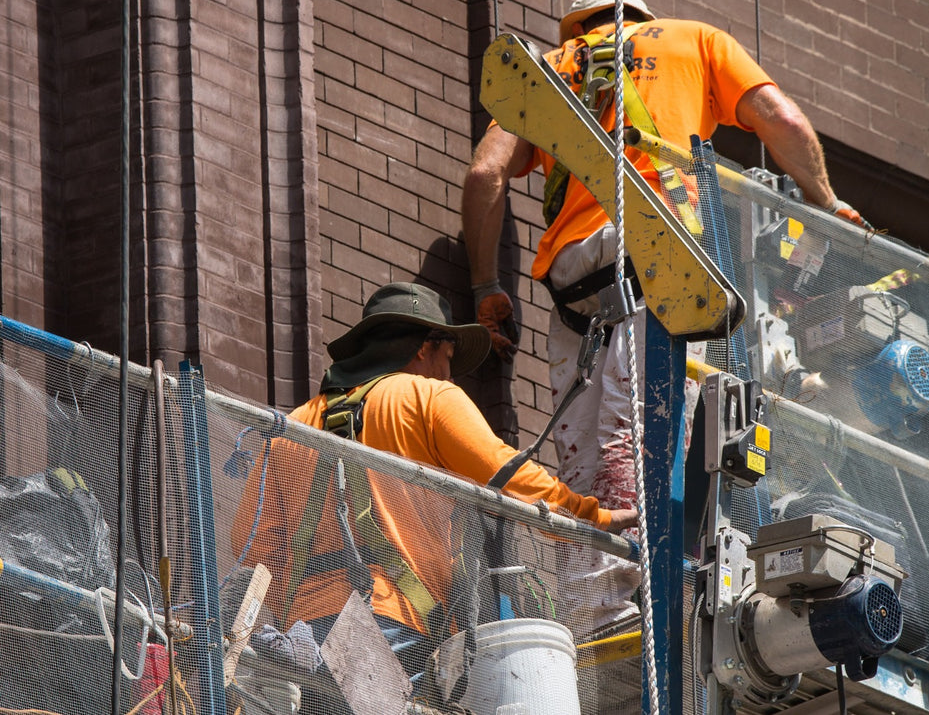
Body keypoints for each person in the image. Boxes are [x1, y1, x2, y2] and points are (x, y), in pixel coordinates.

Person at [460, 0, 868, 634]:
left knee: (579, 456)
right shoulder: (695, 41)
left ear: (579, 27)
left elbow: (485, 175)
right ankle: (638, 607)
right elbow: (781, 119)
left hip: (573, 288)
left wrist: (486, 285)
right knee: (638, 431)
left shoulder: (549, 68)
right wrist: (826, 201)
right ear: (643, 18)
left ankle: (592, 612)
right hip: (658, 256)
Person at [231, 281, 636, 701]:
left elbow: (250, 541)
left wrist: (305, 605)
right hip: (394, 620)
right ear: (426, 347)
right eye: (447, 357)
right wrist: (592, 518)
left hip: (303, 636)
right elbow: (508, 474)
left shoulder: (292, 425)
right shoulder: (428, 397)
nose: (448, 372)